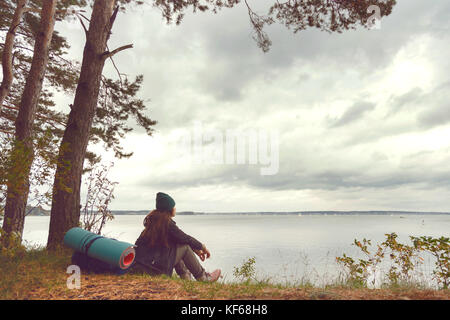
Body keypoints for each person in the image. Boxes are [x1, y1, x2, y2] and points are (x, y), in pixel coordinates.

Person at [131, 192, 221, 282]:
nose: (175, 208)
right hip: (155, 271)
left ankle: (186, 278)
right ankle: (203, 278)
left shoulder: (154, 223)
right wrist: (202, 247)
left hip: (142, 268)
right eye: (174, 206)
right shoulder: (167, 224)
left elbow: (179, 239)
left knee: (176, 245)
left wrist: (195, 250)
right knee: (184, 248)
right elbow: (185, 238)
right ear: (169, 209)